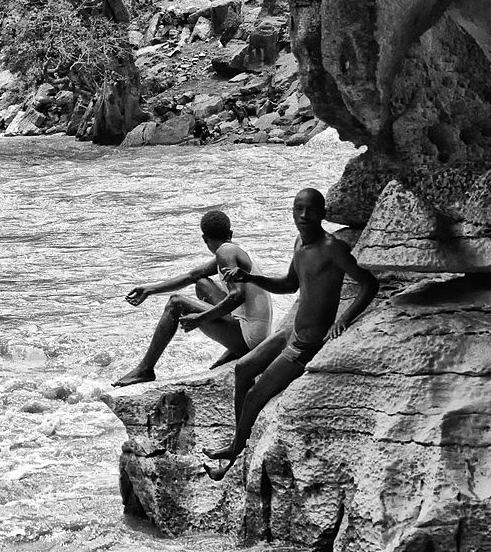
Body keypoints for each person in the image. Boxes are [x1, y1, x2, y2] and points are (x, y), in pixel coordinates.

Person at [202, 188, 379, 481]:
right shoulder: (299, 243)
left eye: (311, 210)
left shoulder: (332, 247)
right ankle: (237, 441)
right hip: (291, 333)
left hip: (305, 346)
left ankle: (233, 457)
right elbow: (288, 285)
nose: (304, 216)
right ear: (292, 213)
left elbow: (369, 284)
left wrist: (344, 320)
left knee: (255, 396)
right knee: (243, 370)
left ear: (322, 214)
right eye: (299, 209)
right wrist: (250, 278)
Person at [112, 210, 273, 387]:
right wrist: (151, 289)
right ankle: (232, 351)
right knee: (202, 283)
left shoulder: (225, 254)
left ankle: (145, 369)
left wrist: (200, 318)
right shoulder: (233, 250)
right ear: (230, 234)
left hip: (250, 341)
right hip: (254, 333)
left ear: (204, 239)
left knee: (176, 303)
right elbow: (192, 276)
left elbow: (237, 296)